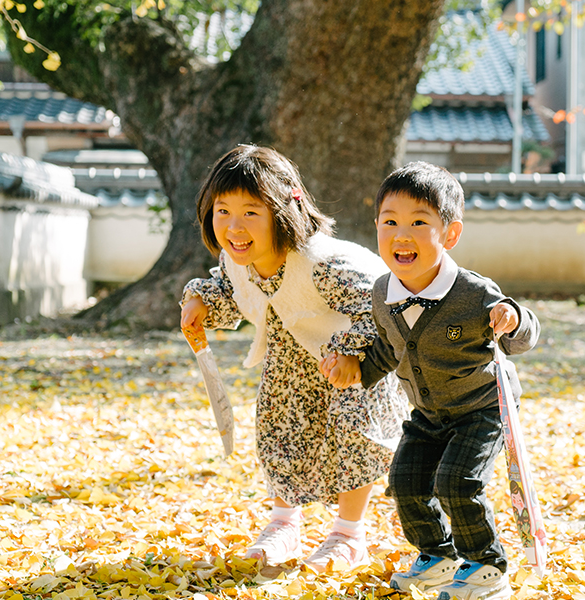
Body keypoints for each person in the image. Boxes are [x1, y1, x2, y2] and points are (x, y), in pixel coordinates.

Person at [179, 145, 407, 571]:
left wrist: (348, 355)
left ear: (284, 211)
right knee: (280, 434)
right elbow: (234, 292)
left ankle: (348, 534)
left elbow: (383, 305)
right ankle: (284, 523)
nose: (235, 226)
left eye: (251, 212)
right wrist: (203, 302)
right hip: (290, 365)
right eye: (222, 211)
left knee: (351, 440)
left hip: (354, 367)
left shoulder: (322, 263)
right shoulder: (237, 260)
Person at [320, 162, 539, 600]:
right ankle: (437, 556)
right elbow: (389, 348)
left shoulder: (475, 293)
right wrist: (357, 368)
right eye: (390, 222)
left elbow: (522, 338)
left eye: (419, 223)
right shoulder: (383, 292)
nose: (402, 235)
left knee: (457, 483)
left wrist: (513, 320)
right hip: (428, 412)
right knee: (406, 481)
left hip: (483, 410)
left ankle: (487, 566)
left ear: (450, 235)